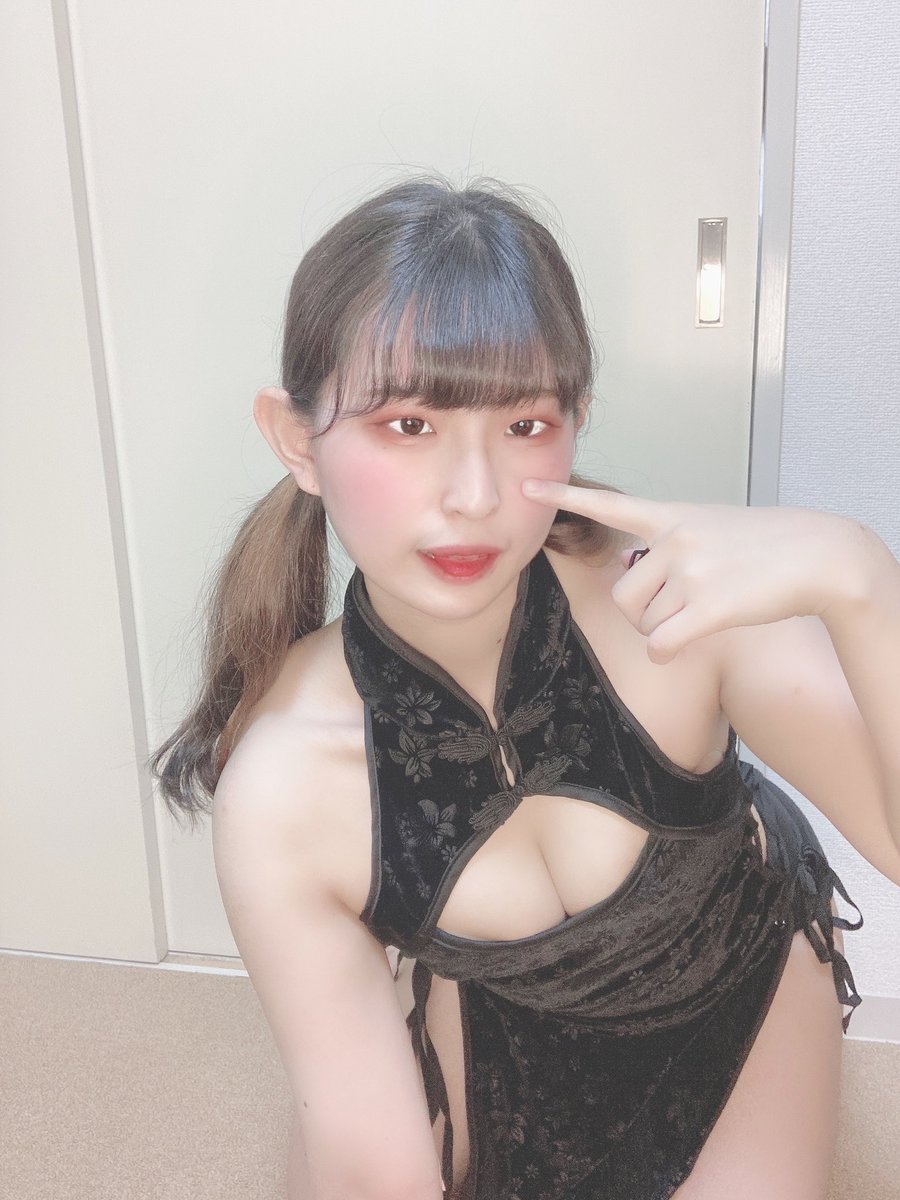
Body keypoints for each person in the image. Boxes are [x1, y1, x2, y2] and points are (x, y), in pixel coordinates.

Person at [149, 173, 900, 1200]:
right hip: (506, 1009)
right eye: (409, 425)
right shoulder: (284, 783)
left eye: (526, 424)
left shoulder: (667, 602)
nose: (475, 497)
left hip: (735, 972)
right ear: (296, 440)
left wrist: (862, 578)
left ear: (575, 418)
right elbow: (376, 1170)